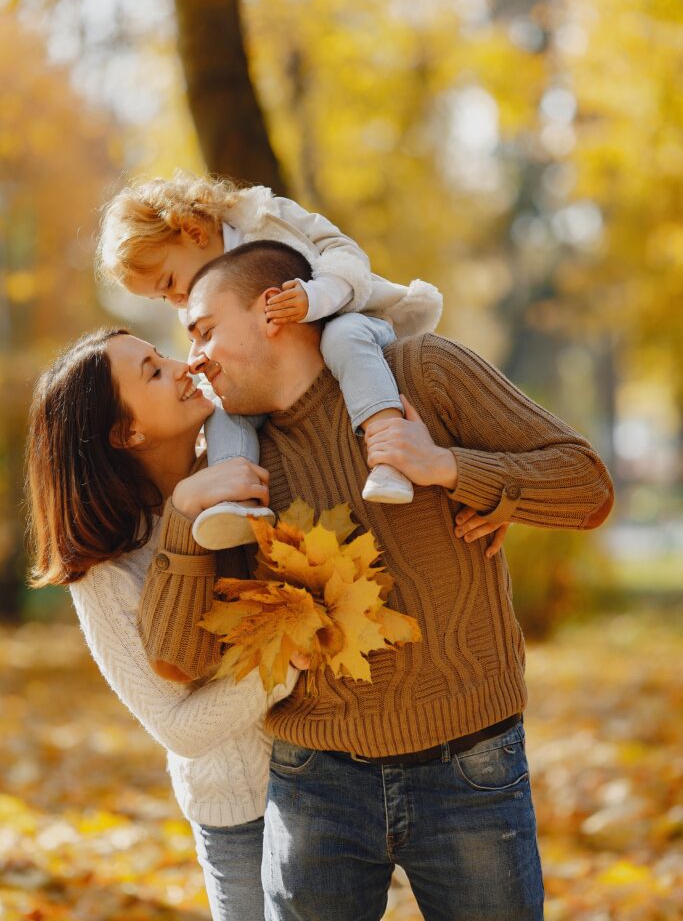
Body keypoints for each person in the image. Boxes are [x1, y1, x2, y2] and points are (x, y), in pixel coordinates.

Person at [140, 240, 615, 921]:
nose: (194, 357)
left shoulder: (420, 374)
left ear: (275, 310)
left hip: (469, 764)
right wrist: (187, 516)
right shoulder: (229, 469)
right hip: (313, 781)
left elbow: (587, 487)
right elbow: (177, 660)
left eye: (206, 330)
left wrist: (449, 468)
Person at [24, 327, 303, 921]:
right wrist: (286, 659)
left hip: (332, 777)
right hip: (242, 816)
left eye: (161, 354)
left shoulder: (244, 464)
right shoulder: (104, 572)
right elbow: (180, 729)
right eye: (153, 371)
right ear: (127, 432)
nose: (182, 366)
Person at [97, 172, 444, 550]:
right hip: (290, 380)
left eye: (167, 283)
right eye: (161, 299)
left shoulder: (265, 217)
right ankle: (236, 498)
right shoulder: (195, 300)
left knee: (341, 337)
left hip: (351, 321)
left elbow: (345, 253)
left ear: (194, 234)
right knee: (223, 404)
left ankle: (390, 455)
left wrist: (316, 296)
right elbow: (216, 356)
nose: (176, 301)